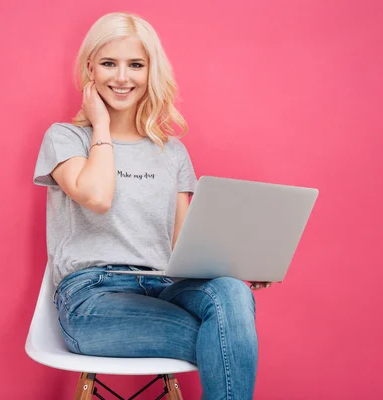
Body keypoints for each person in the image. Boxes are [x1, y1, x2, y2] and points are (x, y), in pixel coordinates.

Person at [33, 12, 272, 400]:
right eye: (109, 63)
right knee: (228, 337)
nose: (122, 77)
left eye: (136, 65)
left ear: (150, 71)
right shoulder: (66, 138)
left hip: (163, 287)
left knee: (232, 294)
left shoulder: (172, 153)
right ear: (90, 67)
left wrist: (244, 264)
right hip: (91, 299)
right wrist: (103, 126)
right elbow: (97, 196)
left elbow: (184, 246)